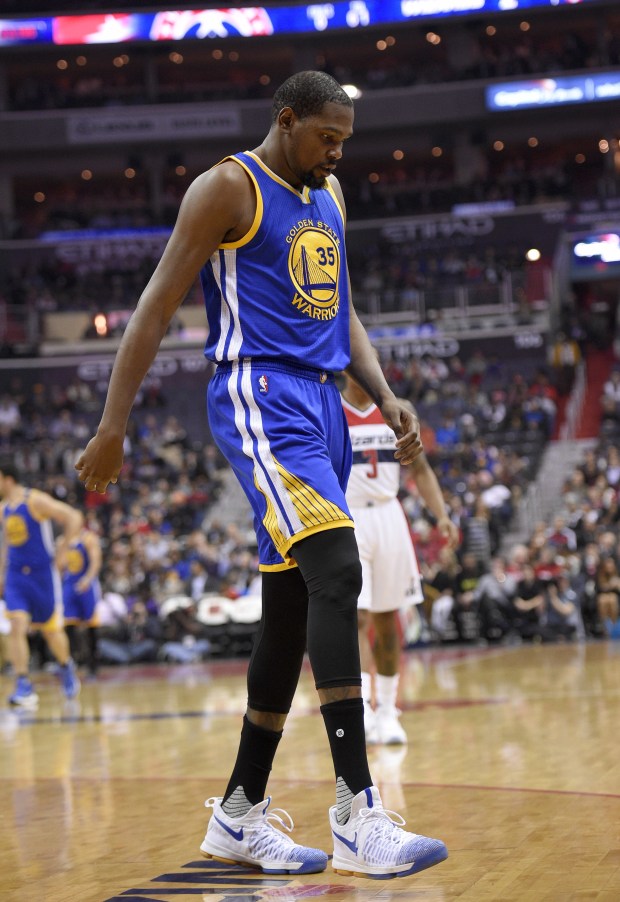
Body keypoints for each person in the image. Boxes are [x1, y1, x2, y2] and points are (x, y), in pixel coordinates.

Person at [74, 71, 448, 880]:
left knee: (288, 603)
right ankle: (358, 811)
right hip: (262, 395)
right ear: (287, 122)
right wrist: (113, 425)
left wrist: (383, 394)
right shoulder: (228, 188)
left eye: (344, 139)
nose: (337, 151)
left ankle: (240, 814)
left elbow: (340, 310)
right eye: (327, 137)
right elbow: (155, 304)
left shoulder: (331, 196)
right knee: (339, 569)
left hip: (323, 406)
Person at [340, 371, 459, 745]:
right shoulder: (330, 407)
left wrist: (441, 515)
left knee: (388, 618)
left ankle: (389, 712)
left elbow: (421, 469)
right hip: (349, 514)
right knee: (355, 616)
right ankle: (362, 712)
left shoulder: (398, 409)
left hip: (389, 513)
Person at [0, 461, 82, 707]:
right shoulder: (3, 509)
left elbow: (74, 517)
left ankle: (66, 666)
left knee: (50, 631)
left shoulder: (34, 500)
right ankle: (23, 684)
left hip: (42, 575)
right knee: (17, 625)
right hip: (16, 576)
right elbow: (7, 545)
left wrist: (62, 553)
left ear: (8, 479)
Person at [62, 526, 103, 676]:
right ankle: (68, 664)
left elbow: (96, 562)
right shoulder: (63, 540)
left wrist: (87, 579)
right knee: (68, 626)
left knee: (91, 626)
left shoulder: (89, 538)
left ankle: (93, 665)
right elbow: (59, 564)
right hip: (69, 585)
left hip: (86, 586)